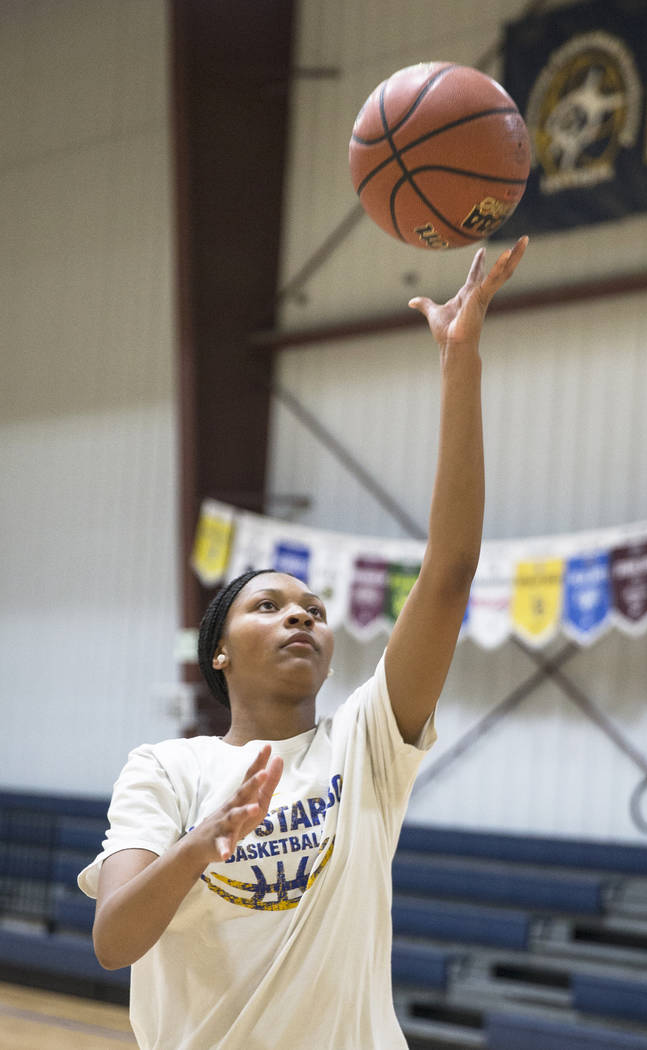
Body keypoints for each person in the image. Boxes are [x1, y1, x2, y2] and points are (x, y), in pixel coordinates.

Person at [78, 236, 528, 1050]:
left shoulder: (366, 747)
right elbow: (114, 941)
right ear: (219, 650)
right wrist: (202, 842)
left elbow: (452, 569)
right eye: (269, 605)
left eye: (314, 609)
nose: (300, 616)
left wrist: (460, 360)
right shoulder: (166, 770)